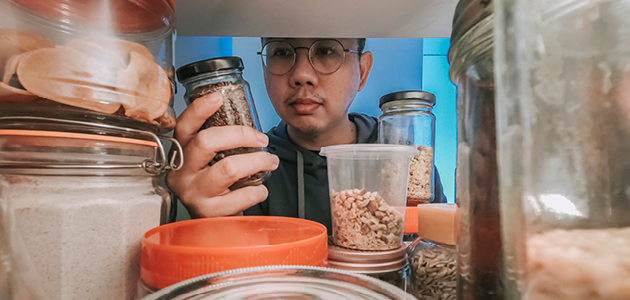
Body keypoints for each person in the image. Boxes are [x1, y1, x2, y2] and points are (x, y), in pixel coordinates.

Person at [166, 38, 447, 232]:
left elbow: (433, 261)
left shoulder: (405, 158)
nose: (301, 74)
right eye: (281, 52)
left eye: (326, 51)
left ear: (362, 72)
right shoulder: (241, 167)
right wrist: (200, 223)